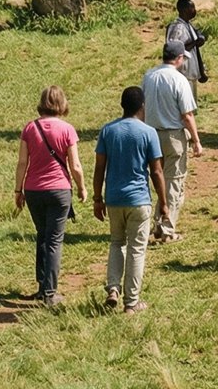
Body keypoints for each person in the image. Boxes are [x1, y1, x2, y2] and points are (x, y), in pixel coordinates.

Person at [92, 86, 168, 313]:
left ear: (122, 106)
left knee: (117, 243)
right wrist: (163, 201)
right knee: (136, 249)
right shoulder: (148, 133)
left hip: (114, 199)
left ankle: (113, 288)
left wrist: (98, 198)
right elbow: (157, 172)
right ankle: (131, 303)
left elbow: (99, 168)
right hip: (139, 200)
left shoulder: (108, 130)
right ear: (142, 106)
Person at [14, 85, 86, 307]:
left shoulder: (30, 128)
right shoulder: (67, 129)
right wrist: (82, 187)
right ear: (62, 103)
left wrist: (18, 190)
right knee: (54, 240)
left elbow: (22, 162)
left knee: (42, 236)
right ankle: (50, 292)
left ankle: (41, 285)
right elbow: (74, 164)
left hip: (34, 190)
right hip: (59, 190)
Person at [141, 39, 203, 243]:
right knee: (174, 182)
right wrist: (196, 140)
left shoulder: (149, 76)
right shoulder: (179, 80)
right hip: (173, 136)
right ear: (179, 58)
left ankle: (157, 224)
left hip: (150, 134)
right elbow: (187, 115)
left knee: (157, 180)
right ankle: (167, 228)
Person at [167, 0, 209, 89]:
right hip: (183, 75)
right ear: (184, 10)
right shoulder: (178, 28)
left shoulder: (188, 25)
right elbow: (175, 49)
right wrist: (194, 43)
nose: (194, 11)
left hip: (190, 76)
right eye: (192, 8)